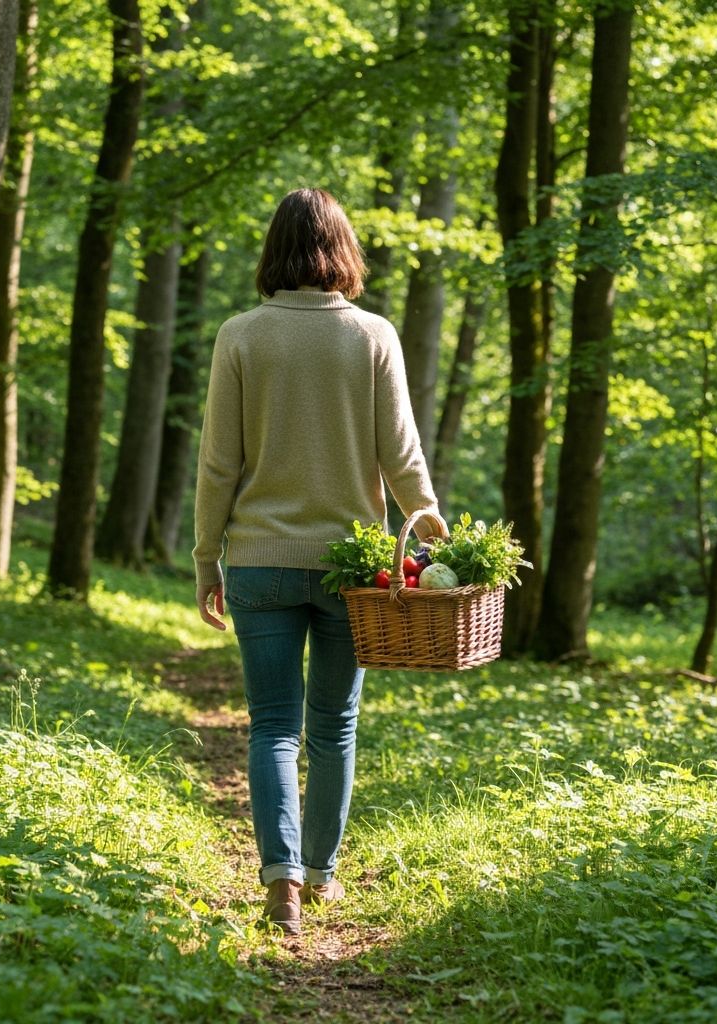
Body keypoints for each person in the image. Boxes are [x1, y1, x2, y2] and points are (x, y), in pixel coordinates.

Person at [192, 187, 441, 937]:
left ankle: (282, 881)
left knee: (271, 725)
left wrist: (209, 559)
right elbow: (401, 458)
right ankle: (323, 874)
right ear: (343, 250)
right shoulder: (373, 336)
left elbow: (217, 466)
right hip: (352, 570)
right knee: (333, 725)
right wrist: (432, 538)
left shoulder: (240, 335)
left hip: (260, 562)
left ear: (274, 251)